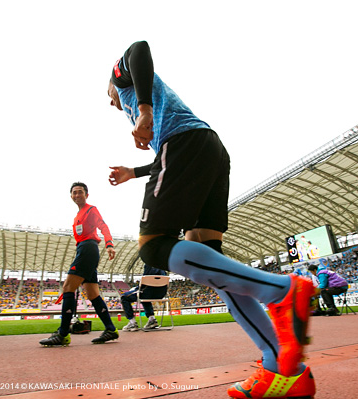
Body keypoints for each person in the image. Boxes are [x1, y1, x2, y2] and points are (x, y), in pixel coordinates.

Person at [107, 41, 317, 399]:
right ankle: (283, 368)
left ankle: (281, 289)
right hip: (207, 149)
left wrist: (141, 107)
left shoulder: (124, 84)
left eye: (108, 97)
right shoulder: (154, 113)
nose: (111, 103)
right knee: (218, 272)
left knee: (154, 247)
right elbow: (167, 160)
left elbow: (138, 49)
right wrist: (135, 171)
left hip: (184, 143)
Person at [39, 182, 118, 346]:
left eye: (80, 192)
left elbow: (103, 226)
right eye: (74, 193)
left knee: (68, 287)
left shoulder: (91, 209)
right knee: (92, 294)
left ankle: (62, 334)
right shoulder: (77, 216)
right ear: (71, 196)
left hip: (88, 249)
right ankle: (111, 329)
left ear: (86, 195)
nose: (77, 195)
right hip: (85, 250)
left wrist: (109, 244)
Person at [121, 264, 168, 331]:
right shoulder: (162, 267)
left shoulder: (149, 265)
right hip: (161, 294)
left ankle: (132, 323)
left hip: (148, 292)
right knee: (145, 295)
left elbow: (145, 282)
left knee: (124, 297)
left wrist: (135, 289)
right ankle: (152, 319)